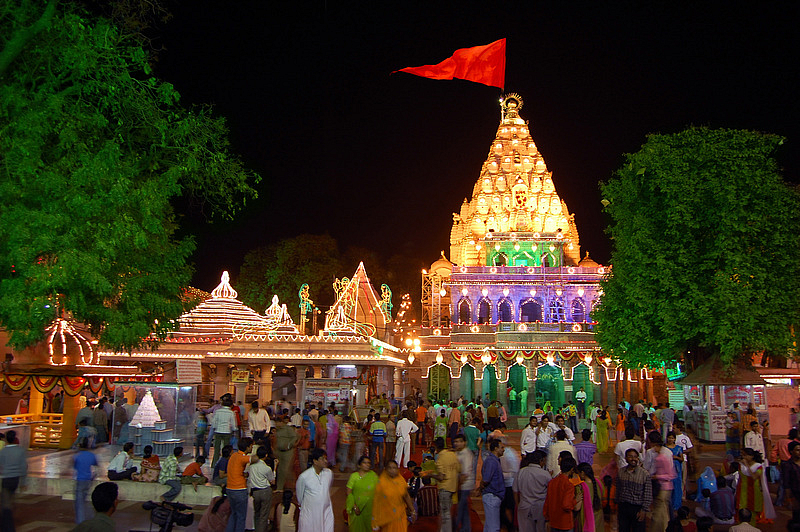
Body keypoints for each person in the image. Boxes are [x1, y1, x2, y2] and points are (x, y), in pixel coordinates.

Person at [296, 448, 334, 531]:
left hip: (325, 511)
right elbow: (300, 497)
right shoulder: (304, 477)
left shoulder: (329, 473)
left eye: (325, 458)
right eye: (322, 459)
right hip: (310, 513)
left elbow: (327, 489)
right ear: (315, 461)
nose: (325, 461)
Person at [616, 448, 652, 532]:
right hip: (623, 507)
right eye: (630, 457)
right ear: (625, 458)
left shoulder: (644, 474)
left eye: (635, 457)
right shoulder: (621, 472)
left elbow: (648, 494)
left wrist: (643, 510)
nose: (633, 459)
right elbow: (618, 490)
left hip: (637, 509)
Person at [372, 460, 415, 531]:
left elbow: (406, 495)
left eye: (394, 468)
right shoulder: (381, 483)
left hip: (400, 515)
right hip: (387, 518)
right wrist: (376, 520)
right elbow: (376, 502)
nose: (392, 470)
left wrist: (412, 510)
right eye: (390, 468)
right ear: (386, 469)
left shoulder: (400, 480)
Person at [513, 450, 550, 532]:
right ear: (541, 461)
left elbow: (515, 491)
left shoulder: (521, 472)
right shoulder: (545, 474)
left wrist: (518, 505)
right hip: (540, 507)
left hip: (524, 505)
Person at [737, 447, 776, 523]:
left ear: (751, 456)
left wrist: (747, 466)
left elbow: (754, 477)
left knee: (752, 513)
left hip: (754, 492)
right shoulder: (740, 465)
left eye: (745, 455)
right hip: (742, 492)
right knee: (741, 511)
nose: (743, 457)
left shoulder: (758, 466)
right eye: (742, 455)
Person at [226, 437, 255, 532]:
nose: (252, 448)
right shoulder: (242, 457)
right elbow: (254, 459)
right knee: (241, 517)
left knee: (233, 514)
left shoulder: (233, 456)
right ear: (247, 447)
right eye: (251, 446)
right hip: (239, 489)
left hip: (229, 489)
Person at [543, 456, 579, 532]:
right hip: (565, 523)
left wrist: (547, 518)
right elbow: (566, 505)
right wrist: (575, 500)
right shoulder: (568, 485)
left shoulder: (552, 482)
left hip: (553, 521)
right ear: (572, 469)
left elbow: (547, 502)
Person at [477, 438, 505, 532]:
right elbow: (486, 479)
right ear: (496, 448)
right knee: (493, 527)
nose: (503, 449)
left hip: (492, 496)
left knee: (490, 526)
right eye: (502, 447)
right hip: (492, 496)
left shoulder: (493, 460)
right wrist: (481, 487)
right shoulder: (491, 461)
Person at [346, 456, 379, 531]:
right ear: (359, 465)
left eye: (368, 463)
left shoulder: (373, 476)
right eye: (364, 463)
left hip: (370, 508)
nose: (367, 465)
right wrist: (354, 506)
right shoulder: (354, 476)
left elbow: (379, 490)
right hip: (357, 509)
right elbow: (349, 492)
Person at [248, 445, 275, 532]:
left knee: (257, 514)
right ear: (266, 455)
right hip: (265, 491)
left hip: (255, 492)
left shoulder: (251, 467)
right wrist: (275, 467)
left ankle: (256, 529)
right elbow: (272, 481)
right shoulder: (267, 468)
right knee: (264, 515)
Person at [73, 440, 98, 524]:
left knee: (79, 502)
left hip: (80, 479)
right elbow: (96, 466)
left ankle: (80, 522)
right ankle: (90, 517)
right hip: (88, 480)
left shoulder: (77, 456)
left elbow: (74, 467)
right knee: (86, 500)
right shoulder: (92, 455)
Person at [453, 434, 474, 532]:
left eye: (460, 441)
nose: (457, 444)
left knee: (459, 509)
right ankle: (466, 528)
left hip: (464, 485)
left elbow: (465, 473)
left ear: (464, 442)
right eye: (456, 442)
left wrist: (459, 486)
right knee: (464, 509)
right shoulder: (458, 453)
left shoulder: (466, 454)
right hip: (460, 484)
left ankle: (455, 527)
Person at [577, 461, 604, 532]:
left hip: (586, 517)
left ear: (582, 473)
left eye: (578, 473)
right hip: (599, 516)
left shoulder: (581, 486)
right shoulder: (599, 482)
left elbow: (578, 506)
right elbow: (602, 495)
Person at [274, 417, 298, 492]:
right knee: (279, 469)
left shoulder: (288, 429)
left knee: (285, 469)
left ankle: (291, 486)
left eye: (277, 423)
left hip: (287, 452)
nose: (276, 424)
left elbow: (295, 437)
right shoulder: (277, 430)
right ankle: (279, 487)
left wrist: (289, 445)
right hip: (279, 452)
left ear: (281, 422)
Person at [782, 440, 800, 524]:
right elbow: (786, 482)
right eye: (797, 450)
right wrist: (789, 498)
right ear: (791, 451)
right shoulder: (788, 465)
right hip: (796, 493)